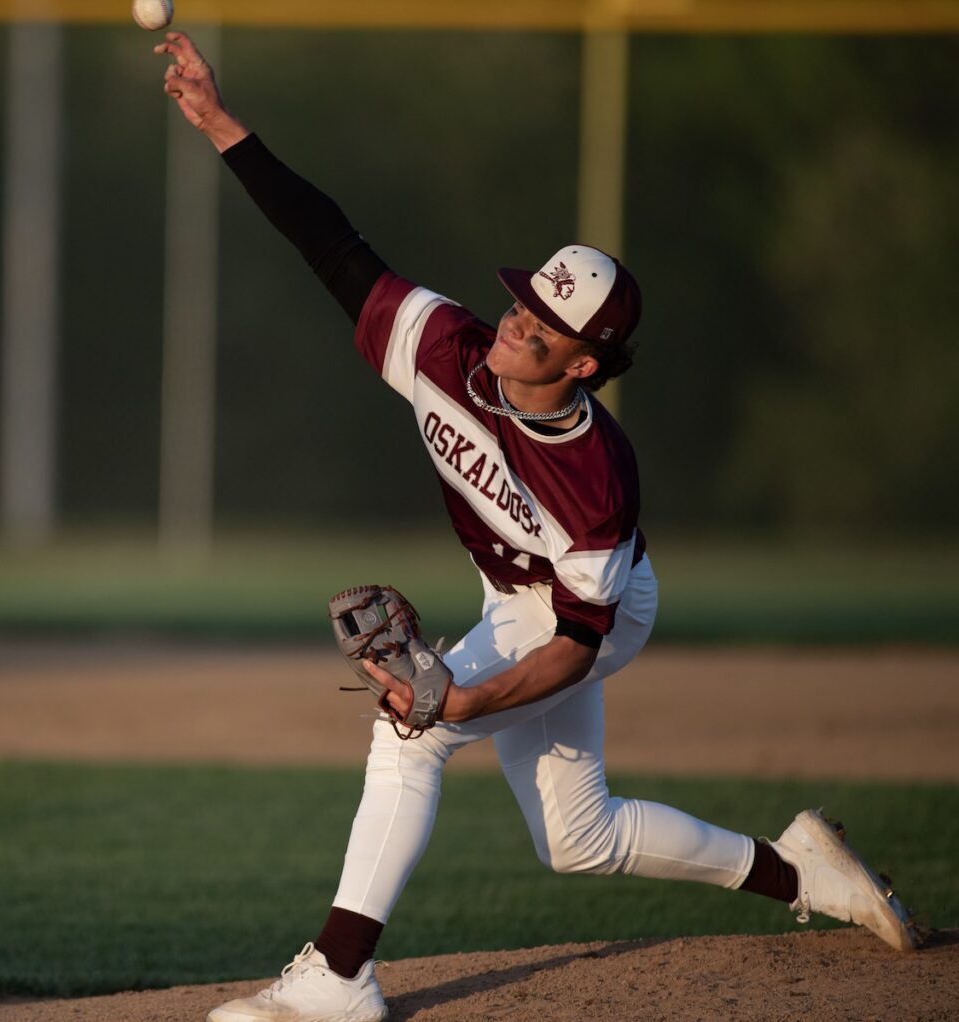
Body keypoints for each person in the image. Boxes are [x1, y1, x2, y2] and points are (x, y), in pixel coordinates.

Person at [152, 31, 919, 1022]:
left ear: (584, 366)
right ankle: (806, 870)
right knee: (577, 836)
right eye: (523, 301)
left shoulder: (596, 483)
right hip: (516, 593)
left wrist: (467, 700)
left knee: (413, 731)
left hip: (584, 610)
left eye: (542, 325)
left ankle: (338, 976)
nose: (515, 322)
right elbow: (331, 245)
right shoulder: (445, 346)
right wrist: (221, 123)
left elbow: (575, 646)